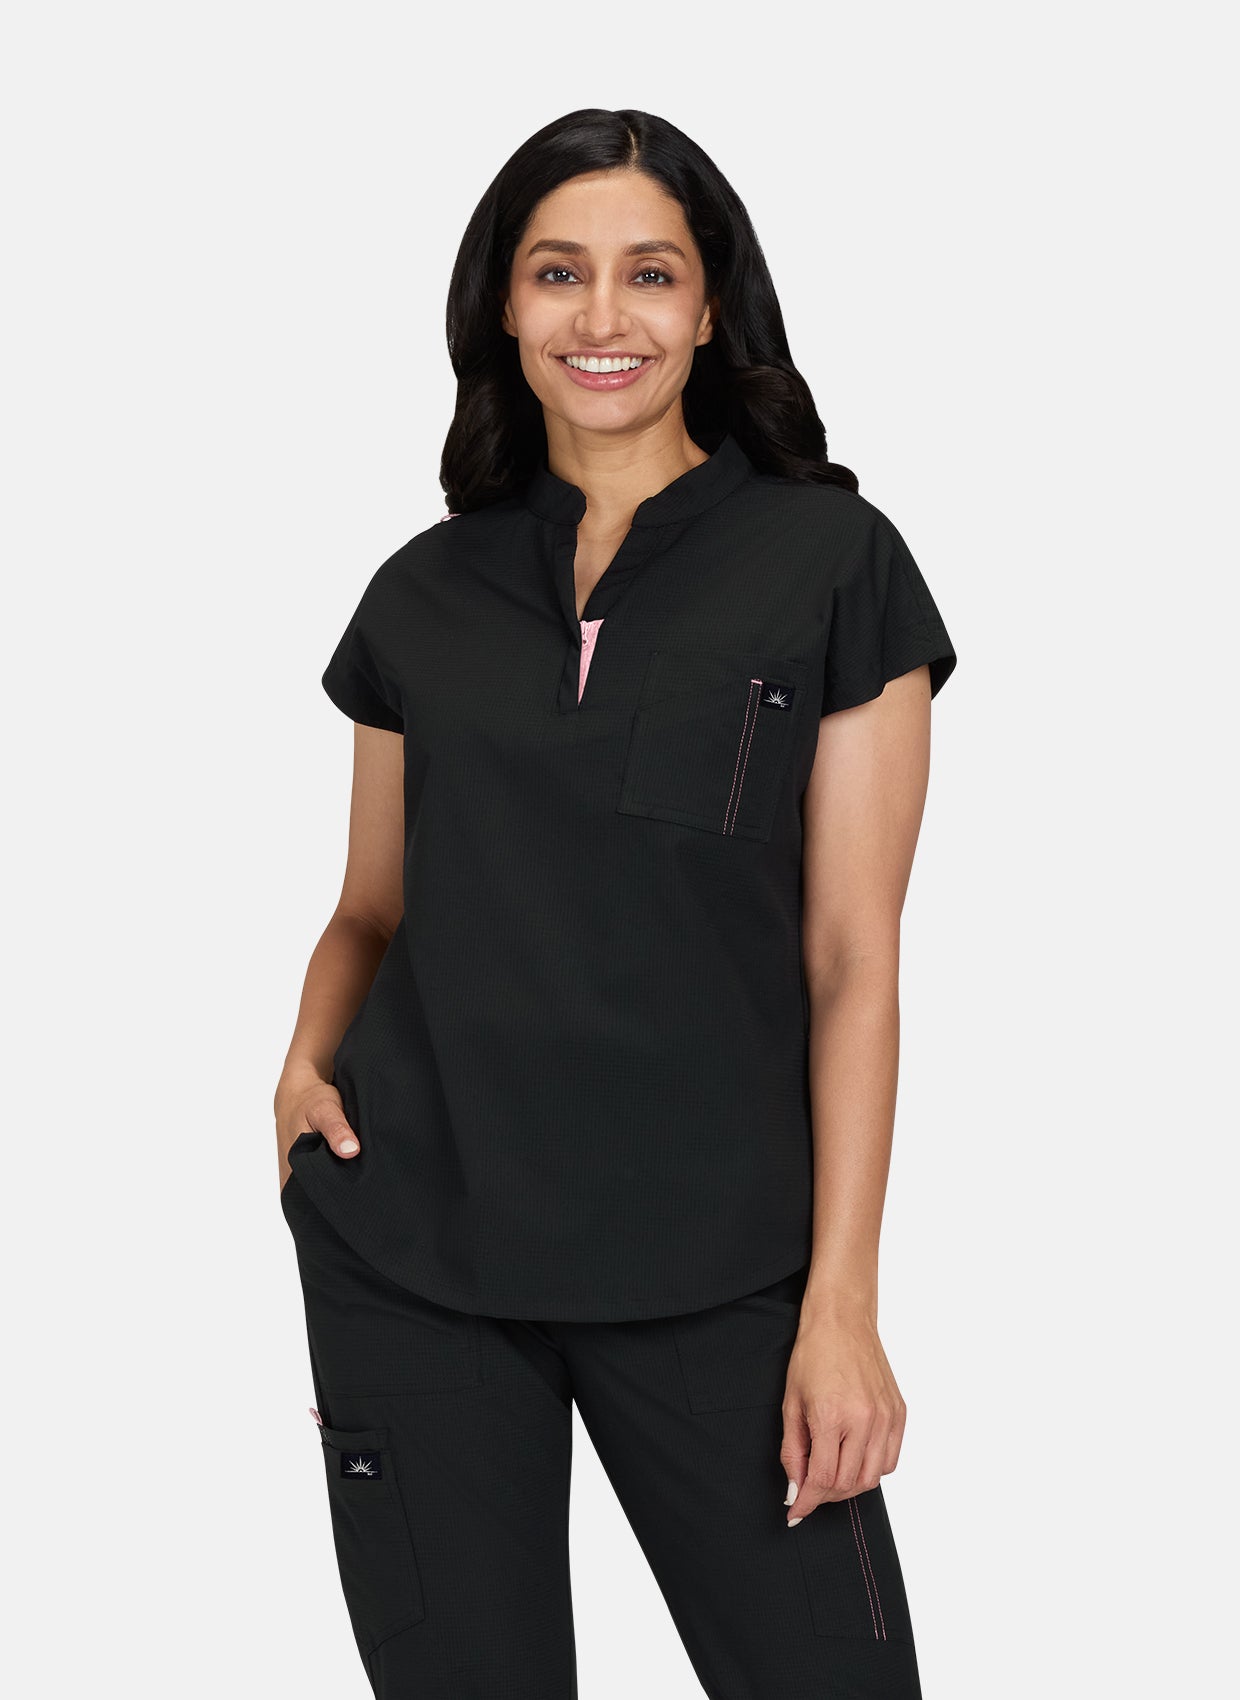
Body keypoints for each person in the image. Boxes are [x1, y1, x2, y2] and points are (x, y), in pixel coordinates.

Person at [274, 106, 957, 1700]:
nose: (604, 315)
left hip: (720, 1268)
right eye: (558, 272)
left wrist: (842, 1304)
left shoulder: (832, 562)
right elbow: (371, 908)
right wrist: (302, 1070)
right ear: (503, 307)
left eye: (649, 274)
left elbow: (853, 958)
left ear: (711, 307)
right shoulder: (423, 592)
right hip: (415, 1256)